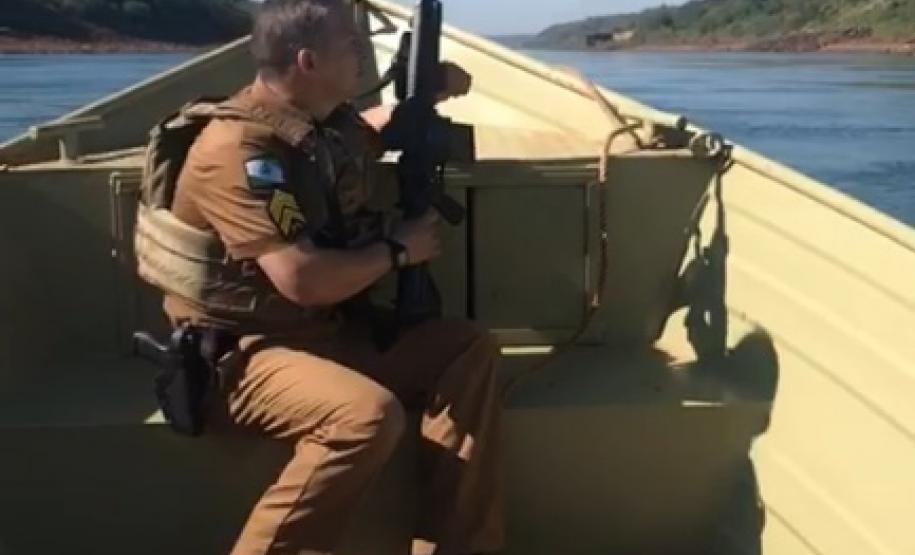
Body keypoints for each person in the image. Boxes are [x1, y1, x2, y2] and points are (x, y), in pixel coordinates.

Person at [162, 0, 504, 554]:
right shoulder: (241, 152)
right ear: (308, 61)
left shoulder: (318, 128)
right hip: (241, 355)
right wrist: (399, 251)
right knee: (363, 417)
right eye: (352, 46)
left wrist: (422, 98)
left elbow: (363, 134)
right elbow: (303, 280)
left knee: (466, 351)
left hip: (317, 334)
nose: (364, 58)